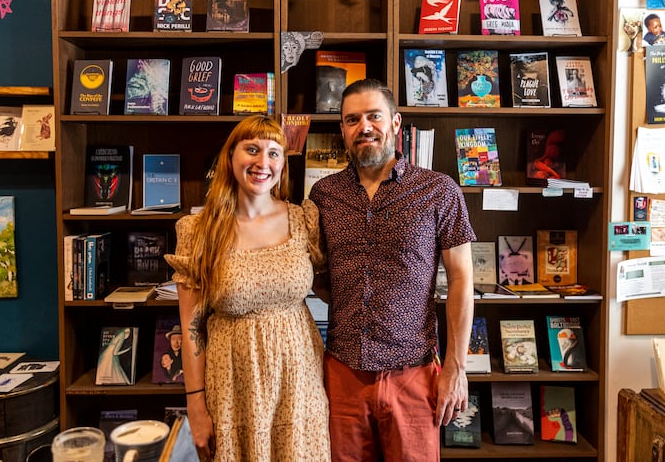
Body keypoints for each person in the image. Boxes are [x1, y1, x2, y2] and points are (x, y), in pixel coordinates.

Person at [309, 78, 476, 461]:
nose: (364, 127)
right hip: (343, 372)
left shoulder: (439, 190)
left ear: (396, 123)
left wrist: (456, 367)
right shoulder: (324, 195)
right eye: (352, 120)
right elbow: (317, 275)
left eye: (373, 116)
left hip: (413, 374)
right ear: (342, 130)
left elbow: (462, 281)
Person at [164, 115, 330, 461]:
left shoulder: (303, 220)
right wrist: (195, 404)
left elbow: (335, 285)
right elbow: (191, 326)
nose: (262, 162)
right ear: (231, 157)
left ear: (283, 164)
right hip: (233, 382)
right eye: (251, 150)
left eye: (273, 153)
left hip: (299, 379)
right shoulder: (199, 231)